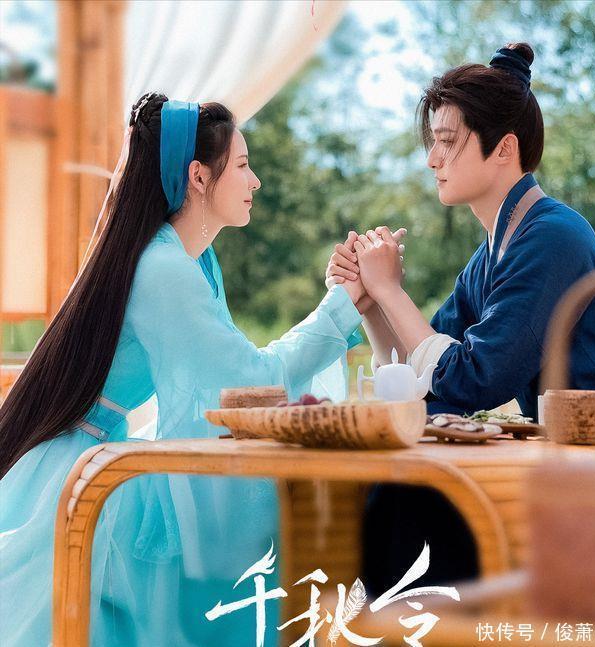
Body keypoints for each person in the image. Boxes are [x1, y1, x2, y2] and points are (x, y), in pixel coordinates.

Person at [0, 93, 366, 646]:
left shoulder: (185, 260)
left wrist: (340, 301)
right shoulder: (163, 267)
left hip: (90, 458)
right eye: (242, 165)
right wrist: (340, 305)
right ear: (199, 176)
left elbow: (230, 374)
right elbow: (248, 382)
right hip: (78, 475)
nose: (255, 180)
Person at [327, 42, 595, 596]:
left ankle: (401, 613)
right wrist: (374, 306)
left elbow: (474, 379)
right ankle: (403, 612)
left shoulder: (553, 237)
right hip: (571, 449)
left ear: (504, 149)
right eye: (432, 142)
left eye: (447, 141)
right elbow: (429, 377)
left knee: (418, 484)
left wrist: (389, 289)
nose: (432, 159)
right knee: (410, 470)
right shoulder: (491, 255)